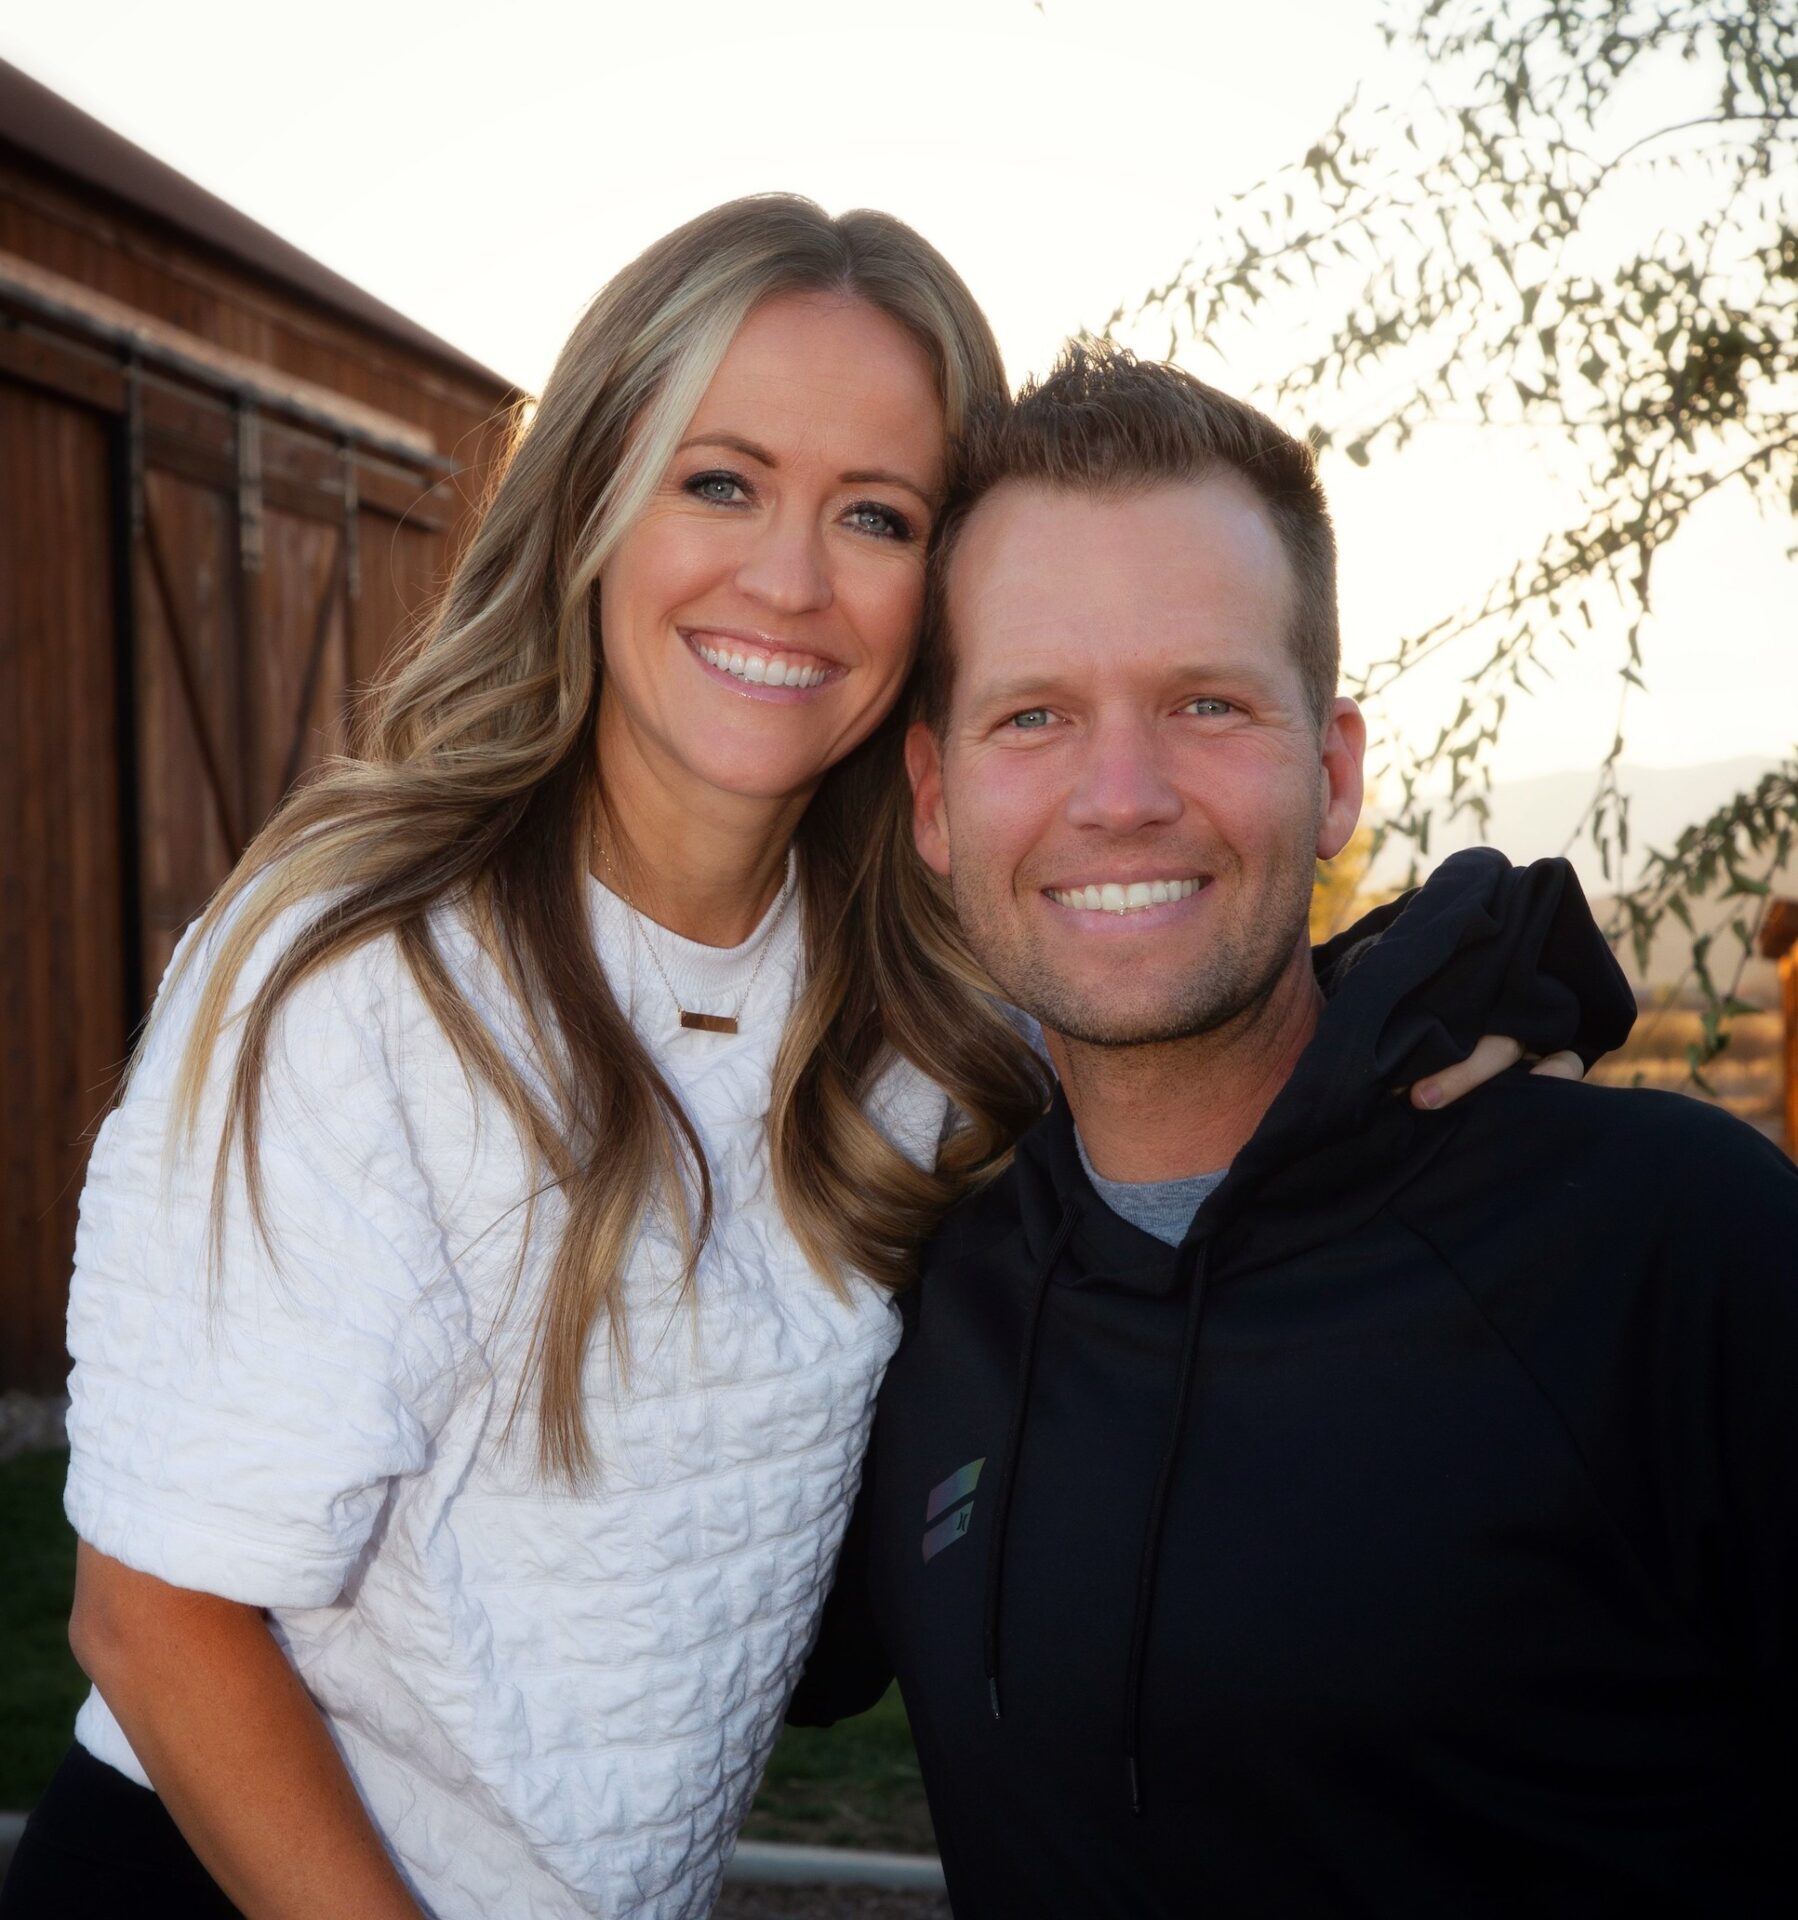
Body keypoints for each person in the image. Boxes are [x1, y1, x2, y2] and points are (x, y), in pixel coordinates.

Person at [1, 202, 1579, 1920]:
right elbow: (155, 1618)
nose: (789, 580)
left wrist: (1480, 978)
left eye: (875, 515)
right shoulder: (365, 966)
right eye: (720, 482)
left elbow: (1177, 1014)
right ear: (592, 498)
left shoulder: (916, 1000)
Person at [790, 343, 1798, 1917]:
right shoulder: (918, 1305)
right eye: (1033, 715)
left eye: (1204, 702)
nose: (1119, 793)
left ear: (1330, 775)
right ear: (931, 799)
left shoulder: (1666, 1248)